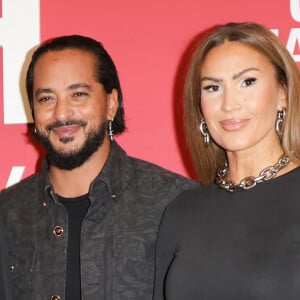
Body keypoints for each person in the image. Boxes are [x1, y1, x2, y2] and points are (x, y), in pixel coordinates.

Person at [0, 35, 198, 300]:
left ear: (111, 104)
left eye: (78, 94)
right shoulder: (6, 214)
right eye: (47, 98)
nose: (61, 113)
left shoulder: (176, 203)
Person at [153, 22, 300, 300]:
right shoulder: (182, 211)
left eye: (247, 82)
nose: (229, 104)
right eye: (213, 88)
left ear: (283, 94)